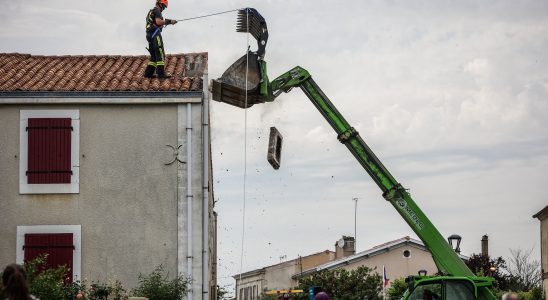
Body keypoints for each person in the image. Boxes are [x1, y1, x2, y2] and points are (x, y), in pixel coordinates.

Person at [144, 0, 178, 78]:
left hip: (149, 35)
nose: (164, 8)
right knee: (160, 52)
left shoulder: (151, 12)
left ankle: (148, 74)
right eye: (163, 6)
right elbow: (158, 22)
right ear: (160, 4)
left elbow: (156, 23)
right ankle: (161, 74)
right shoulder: (157, 11)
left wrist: (167, 22)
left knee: (154, 56)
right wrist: (169, 22)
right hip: (155, 34)